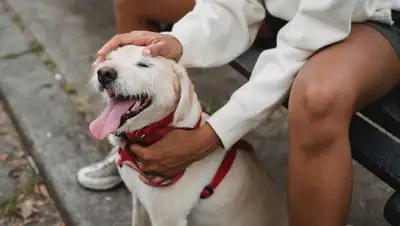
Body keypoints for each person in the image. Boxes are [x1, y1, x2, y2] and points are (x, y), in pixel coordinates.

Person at [79, 0, 400, 225]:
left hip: (367, 16)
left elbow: (309, 37)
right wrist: (174, 42)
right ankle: (134, 141)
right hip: (284, 10)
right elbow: (232, 4)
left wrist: (211, 136)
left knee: (318, 97)